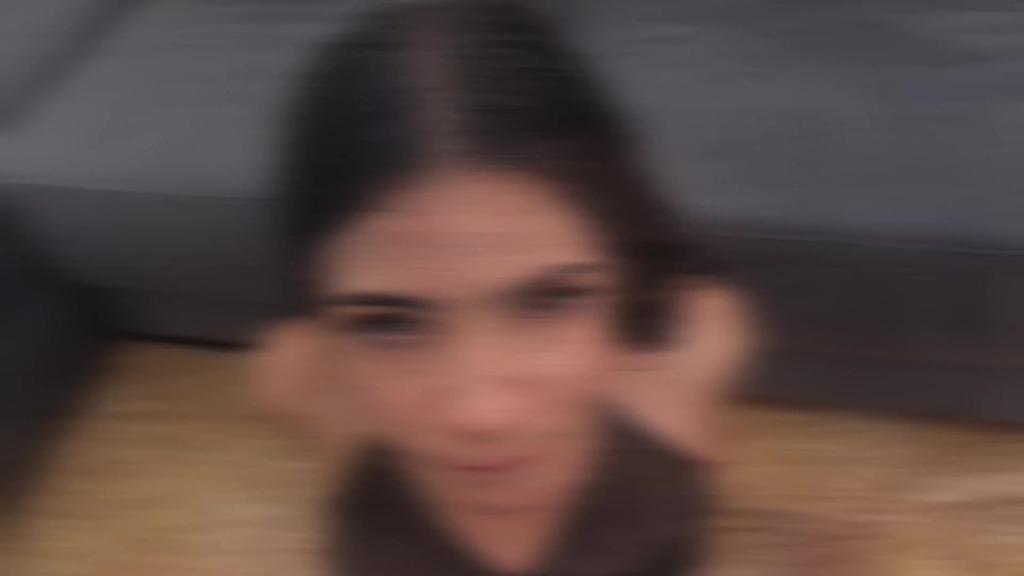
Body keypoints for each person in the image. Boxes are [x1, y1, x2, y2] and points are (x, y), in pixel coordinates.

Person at [251, 1, 757, 574]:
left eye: (551, 301)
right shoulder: (305, 377)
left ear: (624, 267)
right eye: (389, 324)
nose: (483, 414)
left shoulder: (695, 345)